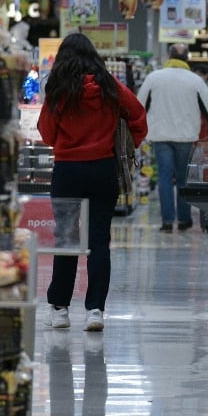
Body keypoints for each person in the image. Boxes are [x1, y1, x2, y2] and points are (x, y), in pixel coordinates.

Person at [37, 33, 147, 331]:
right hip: (102, 169)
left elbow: (46, 134)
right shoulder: (109, 85)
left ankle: (60, 309)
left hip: (68, 171)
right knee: (99, 240)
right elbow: (138, 115)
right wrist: (127, 144)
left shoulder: (58, 88)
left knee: (66, 238)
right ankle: (95, 310)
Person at [138, 44, 208, 233]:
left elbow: (139, 105)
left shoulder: (154, 78)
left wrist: (135, 131)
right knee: (184, 179)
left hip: (160, 136)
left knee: (165, 178)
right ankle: (184, 220)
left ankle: (167, 221)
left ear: (169, 56)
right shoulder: (195, 80)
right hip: (185, 136)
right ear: (187, 58)